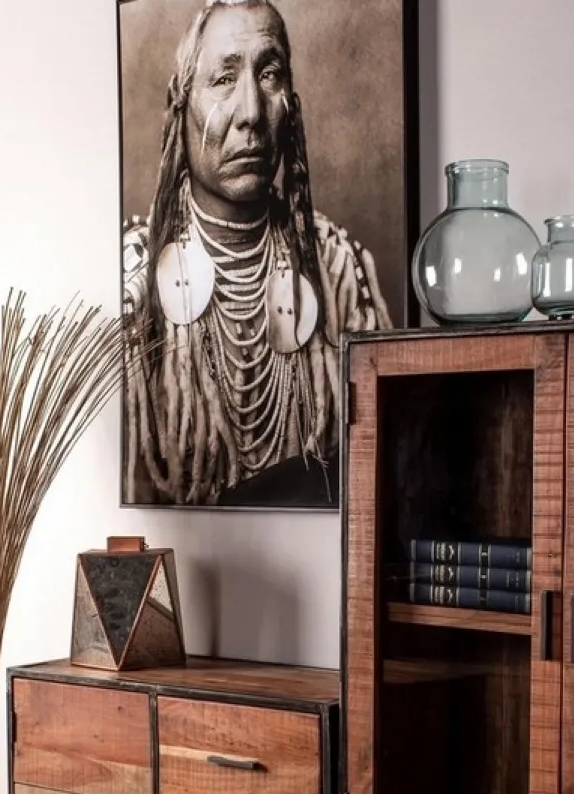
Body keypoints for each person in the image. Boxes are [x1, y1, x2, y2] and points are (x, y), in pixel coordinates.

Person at [123, 0, 392, 507]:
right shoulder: (133, 284)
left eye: (269, 75)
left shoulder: (338, 269)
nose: (251, 112)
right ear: (180, 104)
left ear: (292, 105)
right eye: (224, 79)